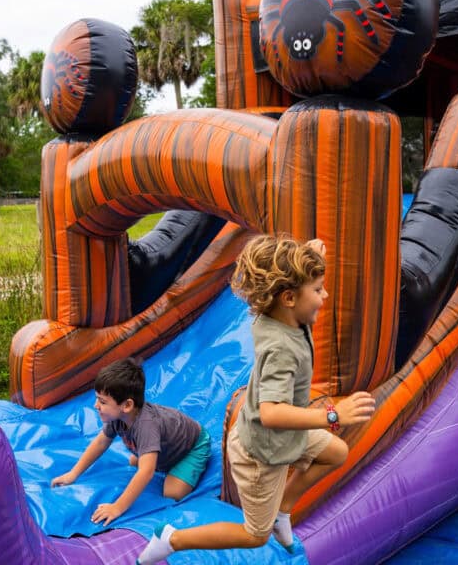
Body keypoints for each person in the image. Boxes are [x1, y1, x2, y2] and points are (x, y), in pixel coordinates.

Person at [137, 235, 376, 564]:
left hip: (278, 437)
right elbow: (272, 413)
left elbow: (289, 284)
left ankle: (282, 511)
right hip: (261, 454)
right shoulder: (280, 349)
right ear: (289, 297)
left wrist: (308, 255)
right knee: (254, 535)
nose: (325, 295)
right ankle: (172, 539)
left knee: (336, 452)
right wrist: (333, 415)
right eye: (318, 290)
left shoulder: (276, 313)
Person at [50, 358, 211, 527]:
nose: (96, 405)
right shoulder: (117, 417)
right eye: (97, 399)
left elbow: (146, 473)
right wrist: (73, 473)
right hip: (166, 446)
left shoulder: (147, 426)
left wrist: (117, 507)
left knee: (172, 493)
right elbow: (100, 443)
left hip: (192, 447)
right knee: (136, 461)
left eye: (102, 401)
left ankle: (173, 463)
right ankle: (159, 460)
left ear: (126, 405)